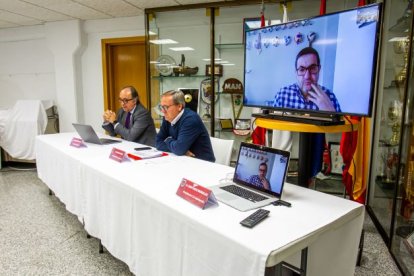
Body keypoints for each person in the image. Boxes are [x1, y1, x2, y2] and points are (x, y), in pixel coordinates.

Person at [273, 47, 341, 112]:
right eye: (302, 70)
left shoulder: (330, 97)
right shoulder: (282, 95)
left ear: (319, 69)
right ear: (296, 73)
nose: (307, 76)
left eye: (312, 68)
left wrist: (331, 113)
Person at [156, 90, 215, 162]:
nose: (163, 111)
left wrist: (168, 140)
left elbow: (179, 149)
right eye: (161, 107)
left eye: (166, 107)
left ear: (179, 107)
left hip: (202, 164)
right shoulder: (168, 118)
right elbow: (157, 142)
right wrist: (179, 149)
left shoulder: (191, 119)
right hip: (183, 160)